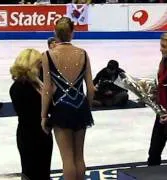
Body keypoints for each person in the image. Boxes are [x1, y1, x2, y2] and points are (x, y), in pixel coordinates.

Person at [41, 17, 95, 180]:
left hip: (61, 108)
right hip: (80, 106)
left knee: (67, 158)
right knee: (79, 156)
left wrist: (43, 115)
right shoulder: (83, 54)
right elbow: (91, 88)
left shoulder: (48, 55)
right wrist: (88, 107)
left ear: (55, 33)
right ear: (72, 33)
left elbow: (47, 89)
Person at [9, 49, 53, 180]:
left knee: (41, 170)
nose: (42, 67)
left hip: (38, 133)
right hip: (31, 135)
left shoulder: (33, 84)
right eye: (39, 64)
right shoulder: (22, 87)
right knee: (32, 171)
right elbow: (32, 114)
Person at [147, 32, 167, 166]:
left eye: (164, 46)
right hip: (161, 114)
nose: (160, 49)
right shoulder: (163, 63)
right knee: (153, 153)